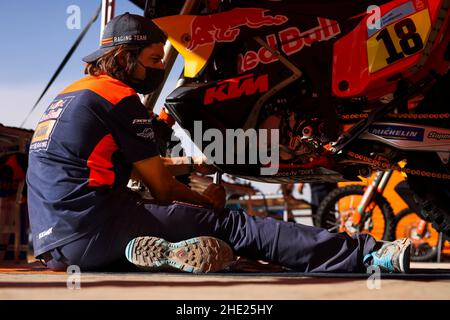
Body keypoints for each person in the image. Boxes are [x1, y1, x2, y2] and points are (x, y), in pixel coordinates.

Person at [27, 13, 411, 274]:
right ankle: (370, 253)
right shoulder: (119, 100)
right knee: (235, 226)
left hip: (57, 248)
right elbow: (161, 188)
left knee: (191, 232)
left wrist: (192, 166)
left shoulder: (72, 96)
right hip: (96, 226)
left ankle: (166, 255)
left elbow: (111, 163)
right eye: (153, 59)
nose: (160, 67)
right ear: (124, 57)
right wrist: (205, 201)